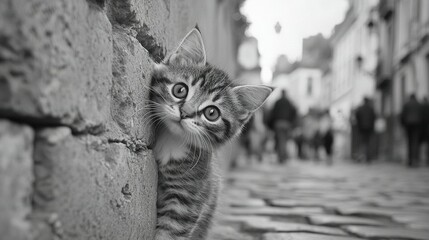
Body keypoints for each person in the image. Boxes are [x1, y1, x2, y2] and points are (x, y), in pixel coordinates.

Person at [269, 90, 297, 163]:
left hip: (278, 123)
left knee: (280, 140)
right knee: (284, 140)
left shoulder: (277, 102)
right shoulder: (289, 102)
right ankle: (282, 156)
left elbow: (273, 113)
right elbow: (294, 112)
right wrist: (291, 122)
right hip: (286, 123)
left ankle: (281, 156)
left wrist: (271, 124)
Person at [401, 94, 422, 167]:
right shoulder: (419, 104)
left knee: (409, 142)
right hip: (417, 125)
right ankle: (415, 160)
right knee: (415, 142)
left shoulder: (406, 104)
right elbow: (422, 115)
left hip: (408, 125)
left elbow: (402, 115)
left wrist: (403, 124)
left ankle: (410, 160)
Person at [355, 97, 376, 163]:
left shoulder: (360, 108)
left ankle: (360, 157)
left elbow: (357, 116)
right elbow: (374, 117)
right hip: (369, 128)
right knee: (368, 142)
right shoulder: (371, 109)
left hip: (361, 128)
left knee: (361, 142)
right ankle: (368, 157)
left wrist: (359, 124)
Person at [420, 97, 429, 166]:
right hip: (426, 128)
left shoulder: (421, 107)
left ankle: (423, 159)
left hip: (422, 128)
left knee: (423, 144)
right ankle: (426, 159)